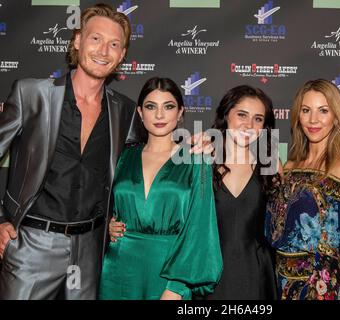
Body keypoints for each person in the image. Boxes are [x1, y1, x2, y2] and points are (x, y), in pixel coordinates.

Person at [0, 4, 143, 299]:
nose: (104, 51)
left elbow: (149, 158)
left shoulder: (125, 111)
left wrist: (192, 150)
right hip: (31, 245)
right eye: (95, 39)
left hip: (90, 250)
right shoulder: (31, 94)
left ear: (122, 55)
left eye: (114, 44)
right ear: (77, 41)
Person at [99, 77, 222, 300]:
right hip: (119, 270)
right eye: (150, 106)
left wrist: (177, 286)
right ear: (139, 112)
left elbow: (201, 228)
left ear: (180, 112)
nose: (159, 115)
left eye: (168, 106)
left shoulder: (196, 160)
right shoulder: (123, 157)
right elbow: (97, 201)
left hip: (169, 272)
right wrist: (106, 225)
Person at [266, 79, 340, 300]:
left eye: (323, 111)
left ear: (336, 116)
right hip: (279, 281)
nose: (313, 120)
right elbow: (274, 230)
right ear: (297, 116)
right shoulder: (290, 166)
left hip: (317, 289)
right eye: (306, 110)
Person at [204, 85, 277, 300]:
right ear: (226, 115)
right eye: (242, 115)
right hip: (209, 273)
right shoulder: (202, 160)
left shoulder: (271, 166)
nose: (249, 125)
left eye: (258, 119)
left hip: (256, 274)